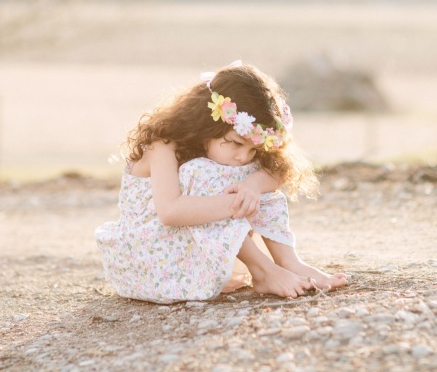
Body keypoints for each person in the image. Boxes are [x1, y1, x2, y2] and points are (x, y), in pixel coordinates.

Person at [95, 62, 347, 304]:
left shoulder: (227, 152)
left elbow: (279, 170)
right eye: (237, 143)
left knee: (252, 178)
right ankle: (263, 270)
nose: (243, 156)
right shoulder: (163, 145)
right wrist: (239, 201)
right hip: (147, 263)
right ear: (207, 122)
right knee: (207, 175)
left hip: (187, 256)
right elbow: (170, 212)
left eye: (253, 149)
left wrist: (253, 187)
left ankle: (289, 261)